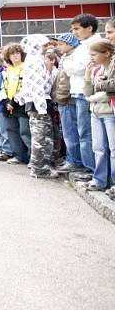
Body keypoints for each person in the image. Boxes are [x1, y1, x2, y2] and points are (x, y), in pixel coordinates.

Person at [63, 14, 101, 181]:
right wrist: (69, 65)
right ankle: (84, 165)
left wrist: (68, 64)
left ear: (89, 28)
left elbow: (79, 68)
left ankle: (90, 168)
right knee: (81, 131)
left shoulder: (93, 45)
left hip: (86, 93)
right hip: (78, 91)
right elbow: (71, 67)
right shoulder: (82, 45)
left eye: (77, 28)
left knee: (86, 133)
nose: (74, 32)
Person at [16, 35, 57, 178]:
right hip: (38, 104)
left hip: (39, 103)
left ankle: (42, 166)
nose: (46, 48)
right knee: (40, 138)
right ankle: (39, 168)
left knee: (44, 137)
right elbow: (36, 87)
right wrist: (42, 108)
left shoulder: (35, 60)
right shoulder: (34, 61)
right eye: (44, 45)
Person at [51, 33, 87, 175]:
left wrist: (61, 97)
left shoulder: (73, 58)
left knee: (71, 132)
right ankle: (71, 159)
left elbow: (65, 82)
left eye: (61, 43)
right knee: (67, 132)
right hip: (63, 98)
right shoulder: (66, 58)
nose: (59, 46)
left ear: (70, 44)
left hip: (67, 99)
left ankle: (75, 161)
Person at [83, 39, 115, 192]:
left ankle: (113, 182)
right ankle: (99, 179)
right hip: (95, 113)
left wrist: (91, 98)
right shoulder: (97, 69)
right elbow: (87, 92)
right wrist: (88, 75)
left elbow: (107, 95)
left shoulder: (112, 70)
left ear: (106, 53)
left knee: (113, 149)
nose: (91, 58)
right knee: (98, 148)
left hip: (109, 113)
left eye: (94, 54)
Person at [0, 43, 30, 165]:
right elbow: (4, 87)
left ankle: (31, 157)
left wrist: (14, 101)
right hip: (9, 106)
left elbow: (25, 87)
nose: (15, 56)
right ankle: (18, 156)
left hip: (21, 105)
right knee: (12, 131)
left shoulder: (25, 67)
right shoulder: (8, 70)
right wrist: (6, 101)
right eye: (12, 54)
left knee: (25, 131)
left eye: (18, 53)